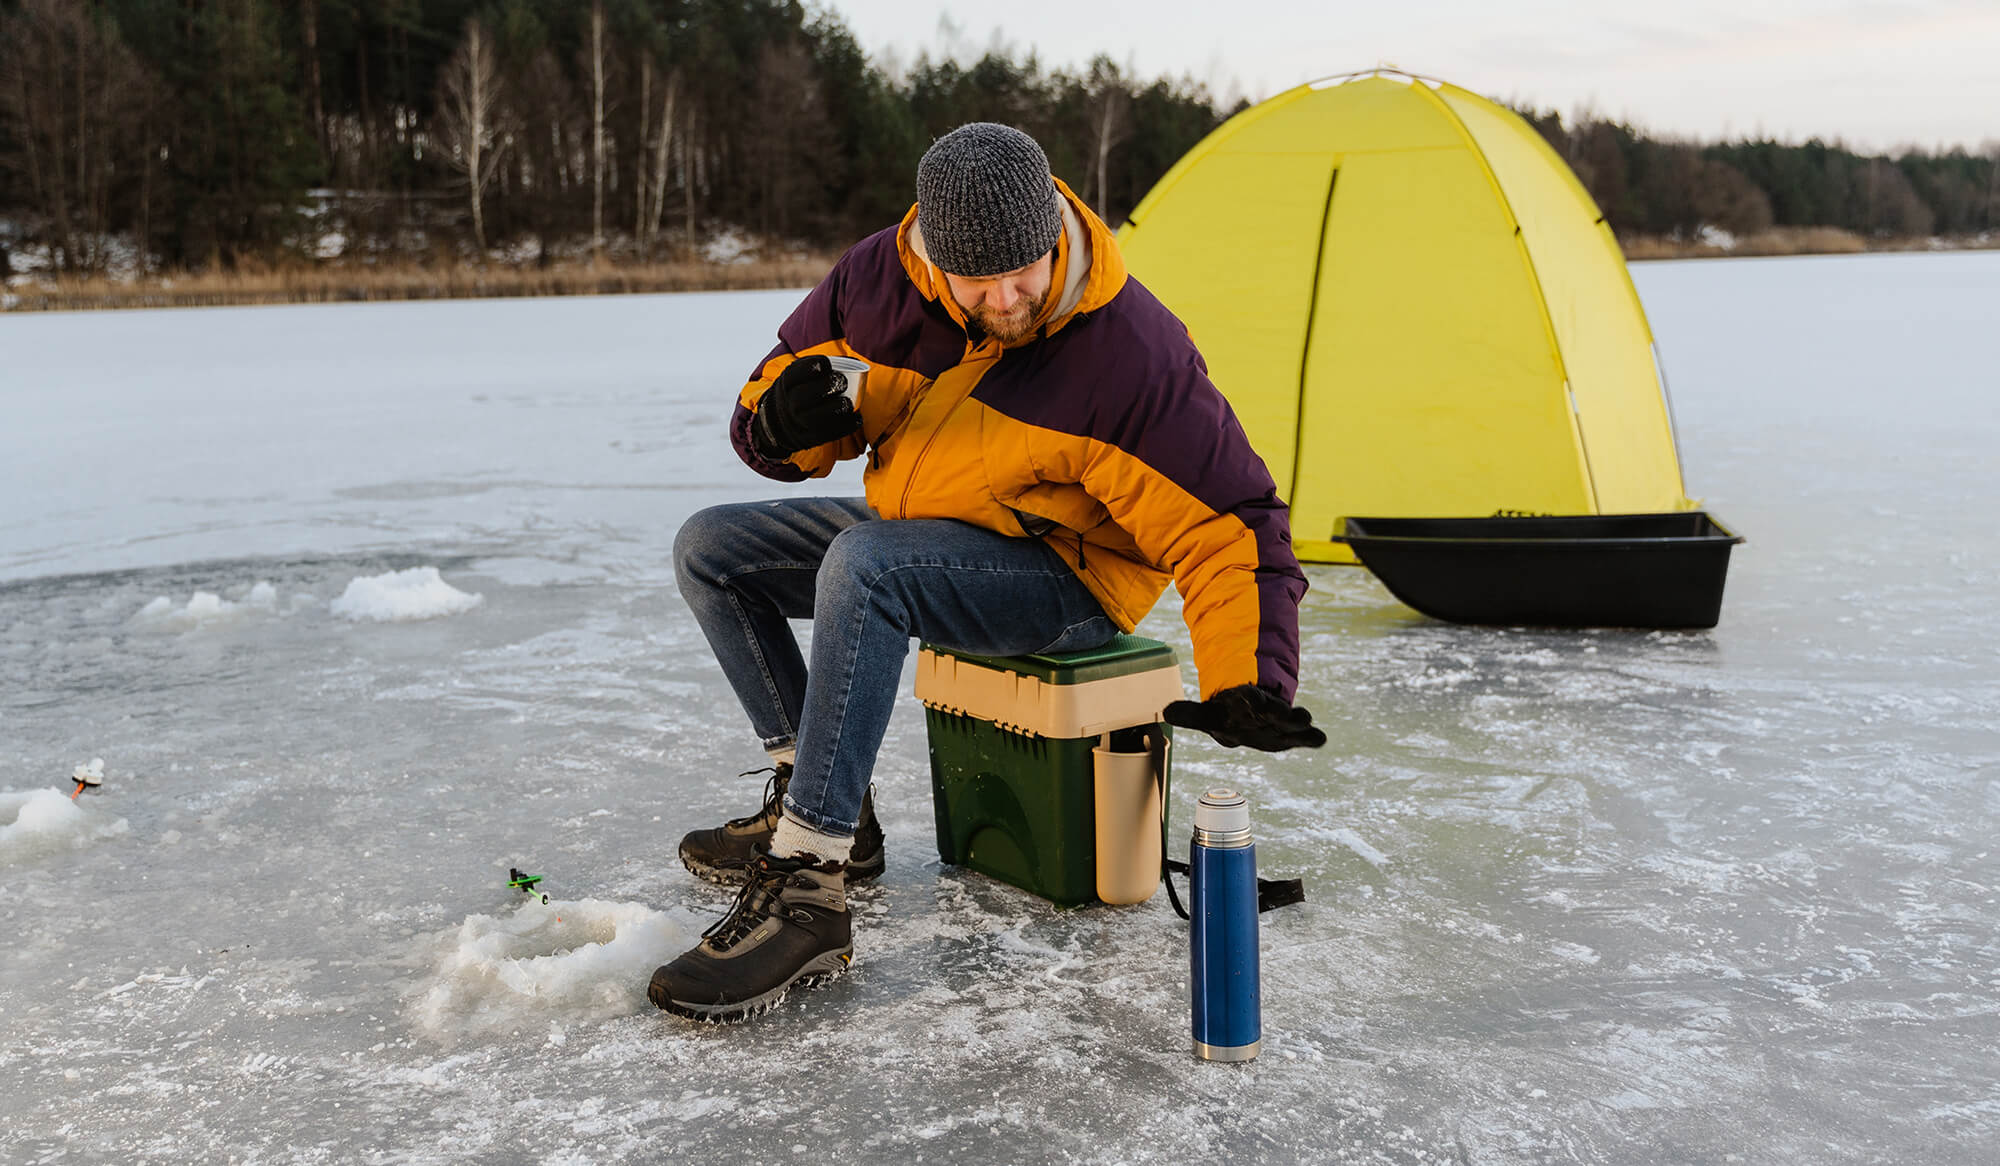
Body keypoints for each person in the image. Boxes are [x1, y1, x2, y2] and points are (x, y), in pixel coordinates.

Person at [649, 122, 1324, 1022]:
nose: (1012, 297)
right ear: (931, 250)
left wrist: (1249, 678)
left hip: (1066, 578)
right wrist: (774, 428)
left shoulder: (1131, 352)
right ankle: (823, 809)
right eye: (983, 278)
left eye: (1029, 267)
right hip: (926, 531)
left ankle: (809, 886)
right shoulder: (873, 281)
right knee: (709, 549)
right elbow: (777, 385)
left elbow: (1232, 522)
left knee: (865, 567)